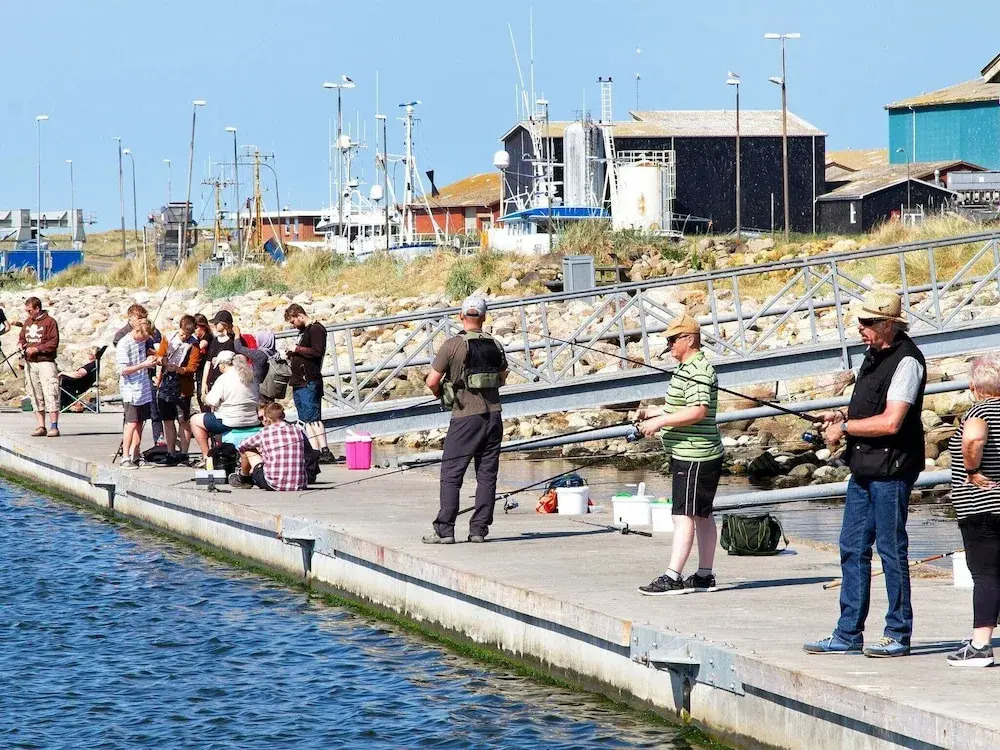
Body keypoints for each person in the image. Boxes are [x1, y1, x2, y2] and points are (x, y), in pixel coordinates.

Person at [804, 288, 927, 658]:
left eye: (869, 322)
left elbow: (891, 422)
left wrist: (845, 430)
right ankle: (848, 632)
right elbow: (868, 410)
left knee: (891, 550)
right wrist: (842, 417)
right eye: (860, 321)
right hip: (863, 468)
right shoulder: (873, 355)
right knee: (852, 547)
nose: (860, 327)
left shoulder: (908, 361)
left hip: (892, 470)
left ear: (889, 324)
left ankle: (898, 633)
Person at [637, 313, 725, 595]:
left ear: (689, 339)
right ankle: (704, 575)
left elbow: (698, 410)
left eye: (673, 340)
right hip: (697, 452)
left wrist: (660, 422)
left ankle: (673, 577)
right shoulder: (689, 368)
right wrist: (654, 412)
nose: (670, 346)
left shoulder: (698, 369)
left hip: (694, 454)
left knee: (684, 514)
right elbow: (685, 406)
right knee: (701, 514)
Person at [422, 295, 507, 544]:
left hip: (465, 418)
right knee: (486, 475)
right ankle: (479, 530)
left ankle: (445, 530)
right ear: (484, 317)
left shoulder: (452, 345)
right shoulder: (496, 344)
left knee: (451, 474)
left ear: (461, 316)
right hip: (493, 416)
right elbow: (502, 377)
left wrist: (443, 394)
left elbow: (431, 381)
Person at [945, 353, 1000, 667]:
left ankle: (980, 646)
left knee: (986, 574)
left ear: (974, 386)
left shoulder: (979, 409)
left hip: (983, 507)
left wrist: (971, 469)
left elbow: (975, 438)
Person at [284, 304, 336, 464]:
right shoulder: (303, 332)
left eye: (293, 322)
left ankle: (325, 450)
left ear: (299, 315)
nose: (293, 326)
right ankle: (315, 451)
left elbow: (317, 351)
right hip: (299, 381)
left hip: (309, 380)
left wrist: (297, 349)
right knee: (306, 418)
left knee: (314, 417)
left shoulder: (316, 329)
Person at [189, 351, 260, 467]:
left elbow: (211, 401)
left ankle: (207, 457)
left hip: (230, 421)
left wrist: (204, 397)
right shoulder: (250, 376)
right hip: (251, 418)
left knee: (195, 420)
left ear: (223, 365)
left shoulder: (224, 379)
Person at [114, 304, 164, 447]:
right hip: (131, 383)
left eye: (144, 317)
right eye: (140, 318)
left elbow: (154, 349)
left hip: (146, 378)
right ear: (131, 318)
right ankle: (126, 448)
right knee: (131, 419)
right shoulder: (122, 336)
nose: (143, 320)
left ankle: (156, 443)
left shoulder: (149, 331)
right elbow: (123, 364)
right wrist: (144, 362)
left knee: (150, 413)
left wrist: (157, 357)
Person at [228, 402, 308, 491]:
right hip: (300, 483)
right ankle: (244, 477)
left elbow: (242, 445)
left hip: (273, 484)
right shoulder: (297, 430)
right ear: (283, 415)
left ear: (268, 418)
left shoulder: (265, 432)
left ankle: (243, 478)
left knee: (247, 449)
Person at [155, 315, 201, 464]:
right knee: (167, 420)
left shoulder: (194, 345)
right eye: (182, 333)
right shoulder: (169, 338)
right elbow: (159, 355)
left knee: (183, 420)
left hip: (182, 386)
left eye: (187, 335)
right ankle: (170, 452)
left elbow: (192, 368)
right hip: (166, 383)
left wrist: (178, 369)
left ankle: (184, 453)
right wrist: (161, 360)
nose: (183, 336)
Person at [116, 319, 157, 469]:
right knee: (131, 423)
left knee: (140, 422)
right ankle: (125, 457)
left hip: (143, 388)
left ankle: (136, 454)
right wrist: (143, 365)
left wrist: (152, 359)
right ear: (138, 331)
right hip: (130, 390)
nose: (146, 340)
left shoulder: (142, 342)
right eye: (144, 337)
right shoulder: (124, 344)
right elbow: (123, 370)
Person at [19, 296, 60, 437]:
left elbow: (53, 343)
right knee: (35, 394)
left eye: (30, 311)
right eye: (26, 311)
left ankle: (54, 426)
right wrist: (20, 344)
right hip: (30, 363)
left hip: (45, 362)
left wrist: (37, 349)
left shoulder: (50, 322)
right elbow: (22, 337)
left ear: (37, 308)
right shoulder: (28, 322)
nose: (28, 313)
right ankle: (41, 425)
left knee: (50, 392)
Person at [202, 310, 237, 396]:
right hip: (214, 380)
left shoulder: (234, 341)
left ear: (224, 324)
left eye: (217, 323)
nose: (214, 325)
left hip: (230, 381)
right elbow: (208, 362)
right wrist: (204, 382)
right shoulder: (215, 341)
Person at [59, 346, 99, 411]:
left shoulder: (91, 365)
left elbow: (78, 374)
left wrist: (63, 373)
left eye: (90, 353)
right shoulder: (94, 364)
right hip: (81, 384)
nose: (88, 354)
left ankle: (65, 405)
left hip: (77, 386)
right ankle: (67, 405)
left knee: (62, 381)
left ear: (94, 355)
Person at [193, 313, 213, 410]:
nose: (195, 330)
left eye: (196, 327)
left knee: (203, 396)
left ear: (203, 327)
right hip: (199, 370)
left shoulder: (208, 337)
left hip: (207, 370)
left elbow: (202, 345)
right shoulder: (198, 338)